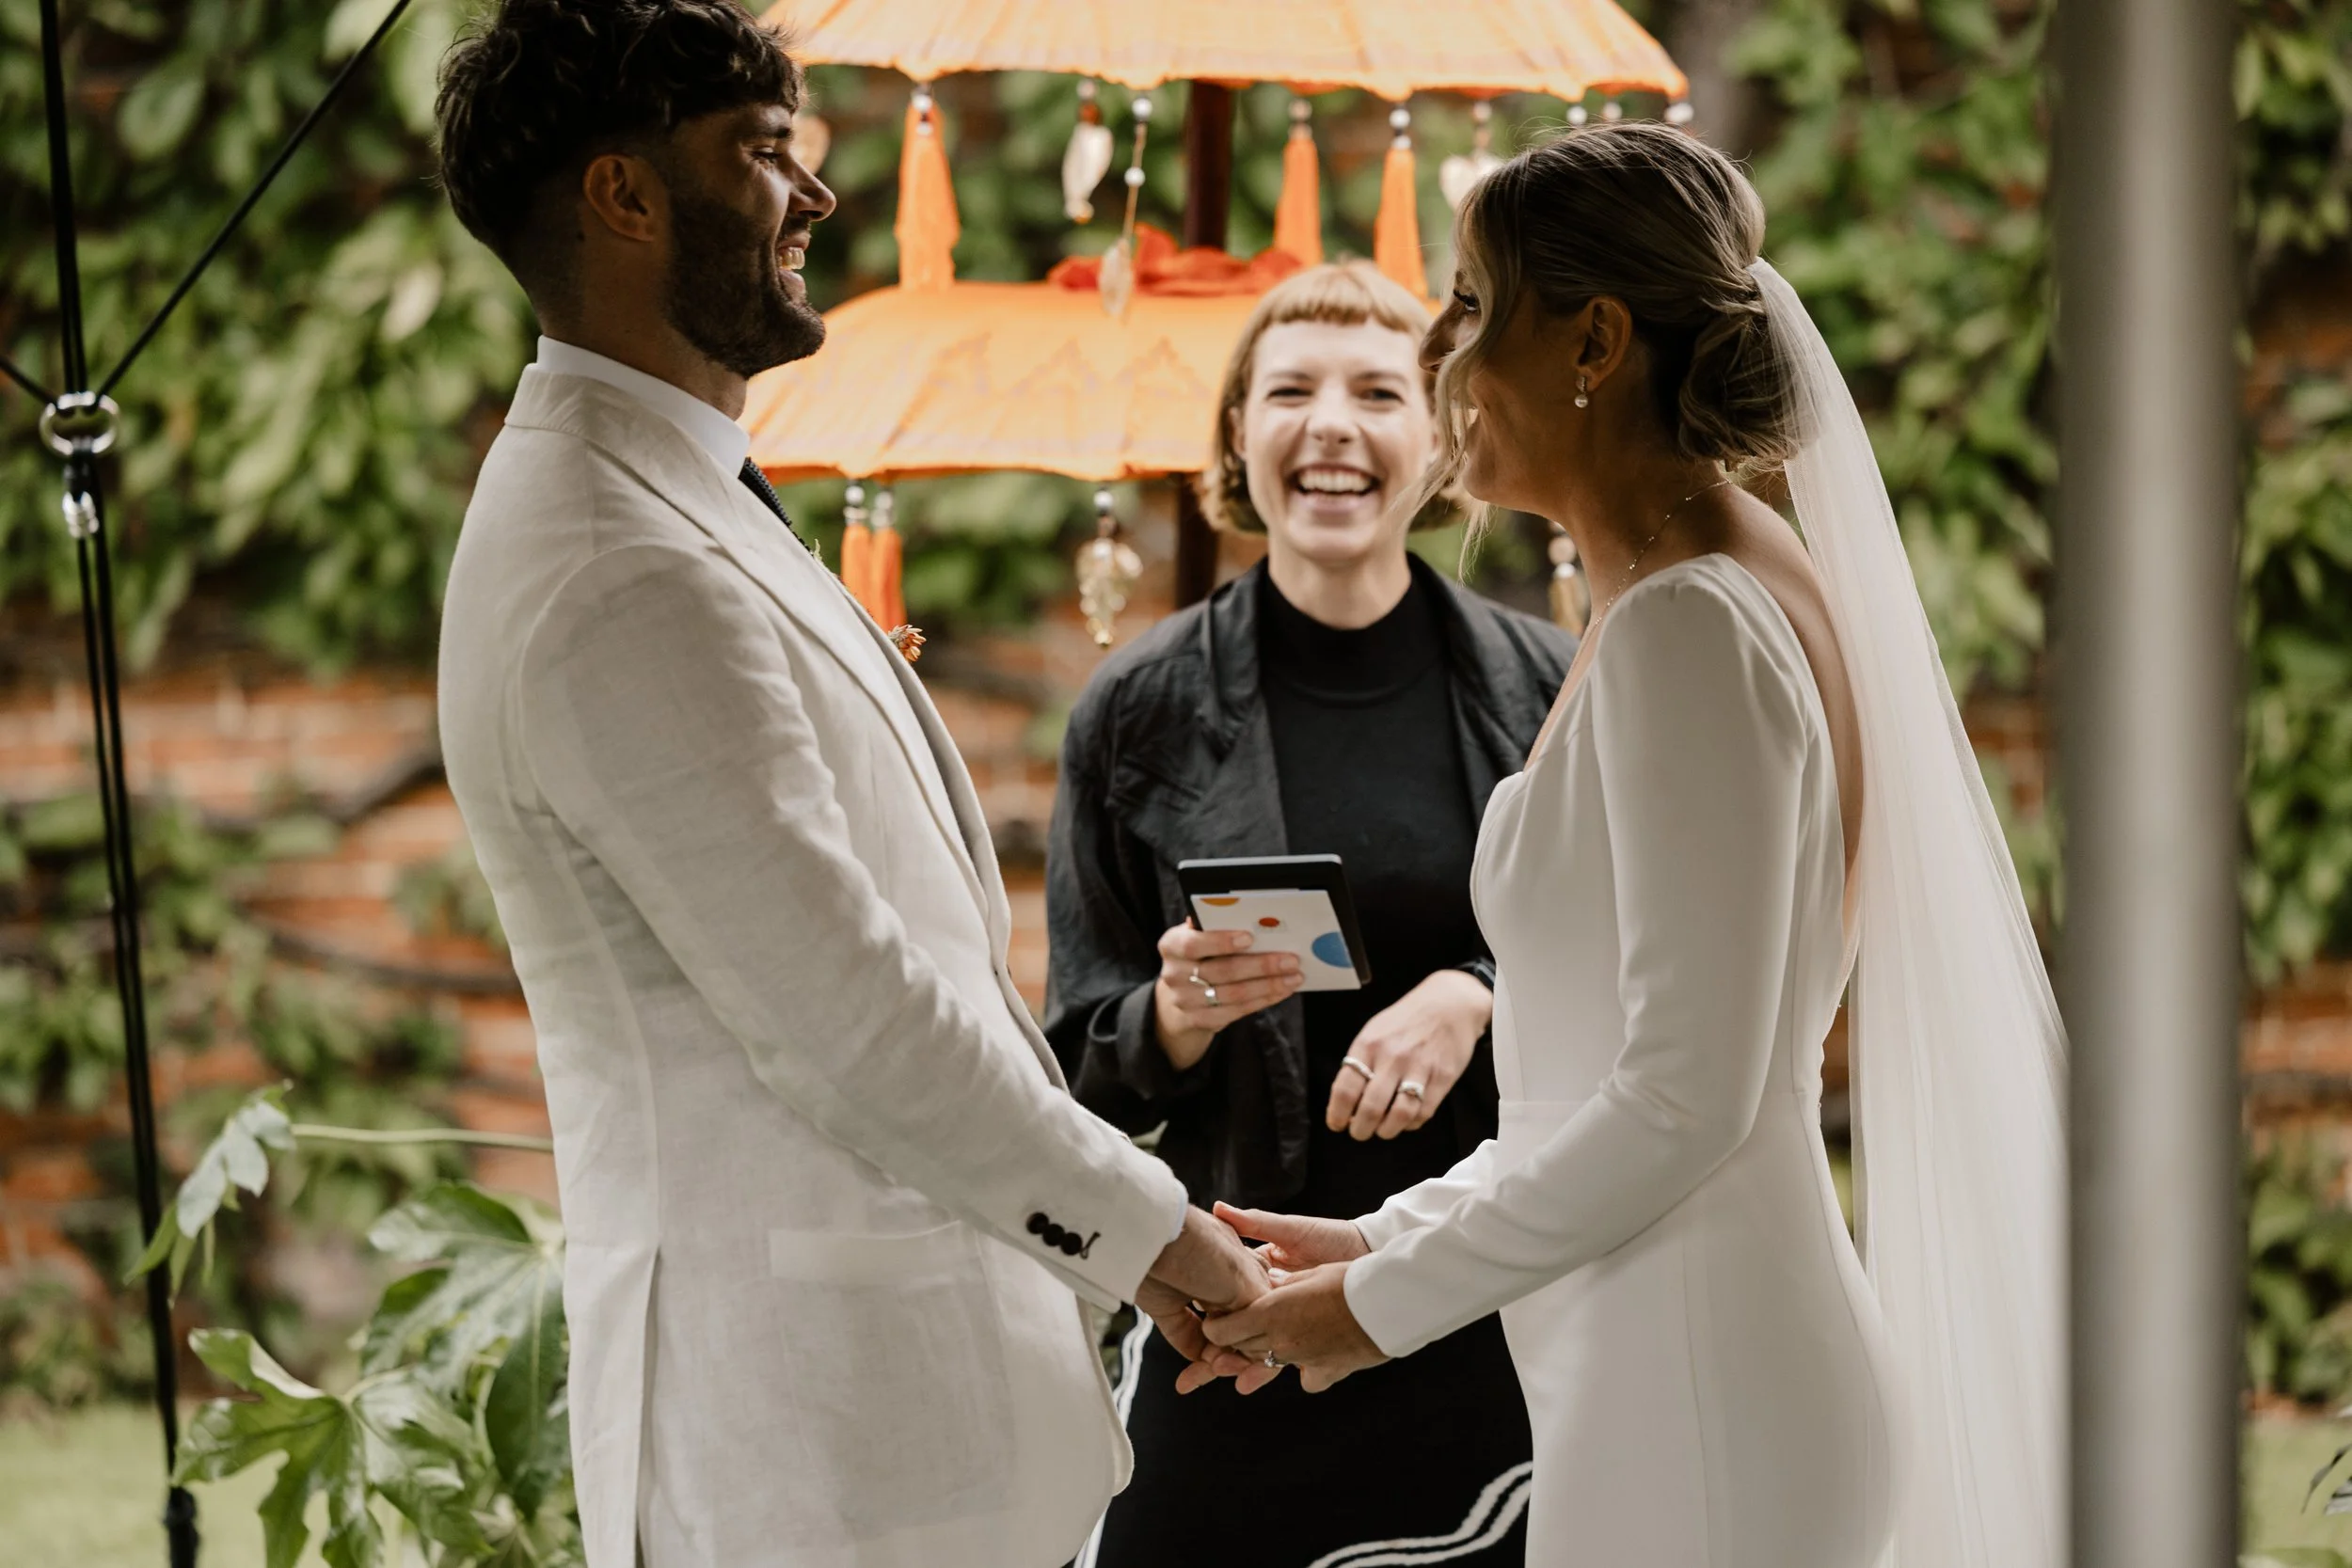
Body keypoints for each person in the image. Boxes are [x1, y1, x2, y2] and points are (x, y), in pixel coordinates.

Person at [430, 6, 1264, 1566]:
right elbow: (854, 1013)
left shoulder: (670, 498)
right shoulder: (615, 566)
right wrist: (1160, 1238)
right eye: (759, 154)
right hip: (813, 1453)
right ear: (622, 196)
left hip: (901, 1421)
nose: (811, 196)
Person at [1203, 125, 2068, 1568]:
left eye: (1475, 305)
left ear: (1596, 337)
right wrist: (1379, 1239)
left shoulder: (1688, 625)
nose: (1441, 354)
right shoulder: (1687, 593)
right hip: (1662, 1358)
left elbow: (1685, 1095)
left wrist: (1372, 1313)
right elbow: (1612, 1081)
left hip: (1698, 1383)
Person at [1046, 261, 1574, 1568]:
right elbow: (1069, 1073)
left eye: (1378, 391)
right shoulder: (1138, 708)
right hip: (1242, 1315)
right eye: (1290, 389)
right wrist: (1167, 1017)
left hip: (1487, 1302)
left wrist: (1478, 985)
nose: (1331, 423)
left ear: (1442, 433)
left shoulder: (1554, 686)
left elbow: (1631, 984)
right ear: (1238, 436)